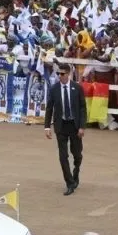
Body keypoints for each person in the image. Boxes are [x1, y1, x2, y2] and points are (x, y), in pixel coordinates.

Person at [44, 63, 87, 196]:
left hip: (74, 126)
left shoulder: (77, 88)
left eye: (62, 74)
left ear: (68, 74)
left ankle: (76, 172)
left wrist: (81, 126)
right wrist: (47, 126)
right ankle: (69, 183)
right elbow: (50, 108)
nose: (60, 76)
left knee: (77, 154)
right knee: (63, 156)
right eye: (58, 74)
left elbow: (82, 108)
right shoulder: (54, 89)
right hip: (61, 125)